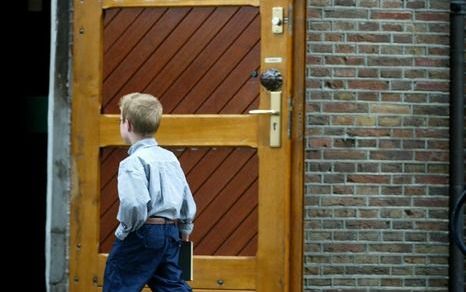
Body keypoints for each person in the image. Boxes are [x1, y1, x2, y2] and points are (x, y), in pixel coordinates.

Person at [103, 92, 196, 292]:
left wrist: (125, 231)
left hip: (142, 231)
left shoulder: (132, 162)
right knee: (171, 284)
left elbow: (134, 204)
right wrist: (185, 228)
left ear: (128, 125)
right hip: (171, 231)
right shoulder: (170, 158)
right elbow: (186, 197)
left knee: (119, 280)